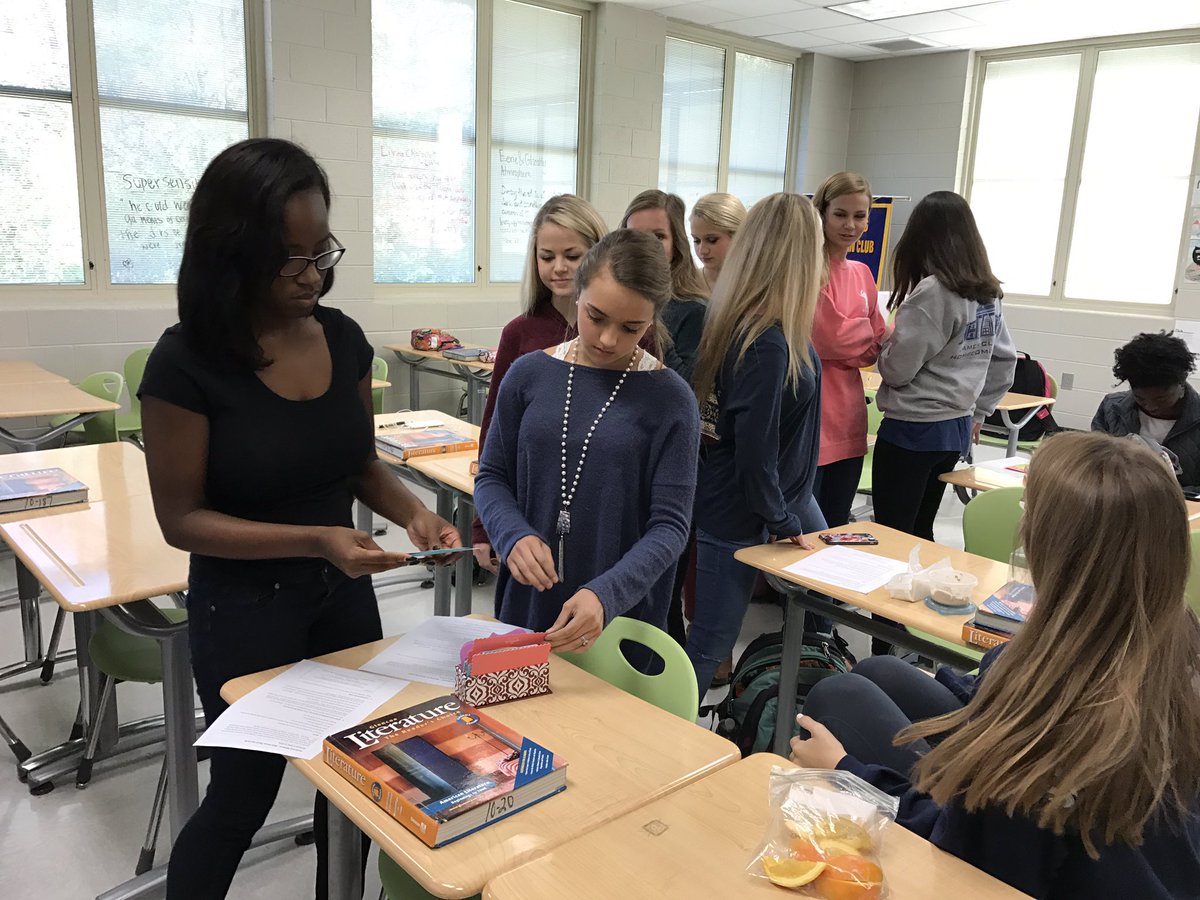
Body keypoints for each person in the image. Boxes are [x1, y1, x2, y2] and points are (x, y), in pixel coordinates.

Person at [139, 138, 461, 900]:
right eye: (289, 258)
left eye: (322, 252)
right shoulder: (185, 363)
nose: (312, 274)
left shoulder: (342, 337)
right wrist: (316, 538)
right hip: (243, 610)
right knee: (241, 796)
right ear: (233, 253)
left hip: (340, 599)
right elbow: (181, 519)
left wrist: (417, 513)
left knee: (349, 785)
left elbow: (355, 463)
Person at [790, 431, 1200, 899]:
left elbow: (968, 849)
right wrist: (970, 687)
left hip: (1014, 855)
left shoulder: (1045, 738)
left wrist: (850, 775)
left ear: (1053, 549)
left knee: (838, 696)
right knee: (879, 673)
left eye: (1029, 514)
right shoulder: (1167, 635)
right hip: (1128, 857)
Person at [474, 229, 699, 653]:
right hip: (528, 603)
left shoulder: (670, 400)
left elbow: (670, 527)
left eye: (632, 327)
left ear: (653, 319)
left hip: (621, 620)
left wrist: (607, 594)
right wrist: (511, 534)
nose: (609, 339)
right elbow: (491, 476)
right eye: (596, 317)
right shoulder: (527, 375)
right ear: (578, 293)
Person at [684, 193, 826, 698]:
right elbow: (753, 451)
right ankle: (662, 744)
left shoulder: (774, 326)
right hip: (741, 511)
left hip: (781, 500)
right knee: (709, 643)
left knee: (824, 606)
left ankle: (799, 699)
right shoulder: (765, 338)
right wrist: (783, 521)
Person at [471, 195, 609, 576]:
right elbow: (494, 434)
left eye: (572, 255)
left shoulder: (628, 334)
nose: (559, 268)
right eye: (547, 256)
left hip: (603, 512)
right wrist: (485, 525)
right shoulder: (520, 333)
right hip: (531, 508)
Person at [873, 190, 1016, 542]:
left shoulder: (933, 292)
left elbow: (897, 371)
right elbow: (1004, 360)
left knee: (892, 532)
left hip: (913, 428)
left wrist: (880, 344)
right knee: (921, 528)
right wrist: (980, 413)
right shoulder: (987, 293)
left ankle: (888, 596)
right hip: (957, 426)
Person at [811, 172, 888, 527]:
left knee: (838, 524)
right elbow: (827, 338)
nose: (850, 225)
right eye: (840, 214)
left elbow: (874, 347)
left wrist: (853, 335)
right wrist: (861, 335)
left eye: (859, 216)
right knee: (806, 532)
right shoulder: (809, 271)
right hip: (813, 421)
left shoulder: (861, 274)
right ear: (823, 214)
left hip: (851, 422)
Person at [1092, 331, 1200, 491]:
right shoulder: (1112, 408)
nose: (1151, 406)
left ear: (1181, 384)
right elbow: (1095, 461)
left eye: (1161, 399)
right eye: (1141, 398)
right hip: (1119, 498)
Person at [621, 189, 709, 383]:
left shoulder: (694, 310)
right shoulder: (612, 299)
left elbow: (688, 386)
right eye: (635, 236)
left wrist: (652, 328)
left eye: (658, 236)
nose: (645, 246)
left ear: (676, 243)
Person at [689, 192, 746, 290]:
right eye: (696, 241)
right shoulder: (685, 285)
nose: (702, 251)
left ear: (738, 236)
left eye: (712, 240)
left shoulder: (758, 287)